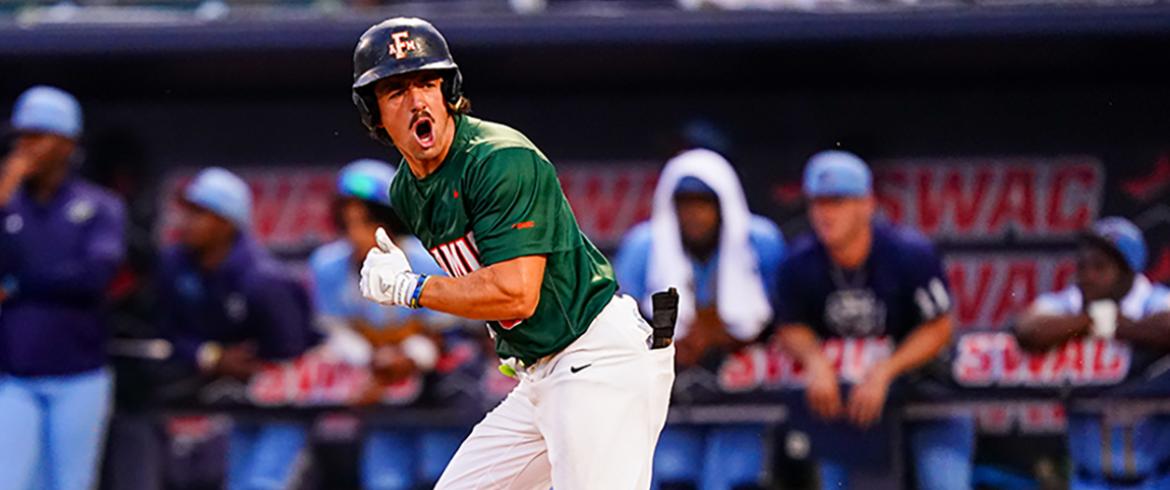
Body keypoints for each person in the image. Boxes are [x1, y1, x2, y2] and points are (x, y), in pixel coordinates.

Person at [352, 17, 675, 489]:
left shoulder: (499, 158)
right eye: (396, 90)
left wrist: (412, 288)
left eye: (428, 81)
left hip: (596, 361)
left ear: (449, 91)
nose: (419, 99)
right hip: (541, 375)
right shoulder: (406, 189)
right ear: (375, 113)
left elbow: (516, 294)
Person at [773, 150, 972, 490]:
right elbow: (790, 325)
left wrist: (886, 370)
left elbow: (940, 327)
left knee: (945, 484)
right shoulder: (801, 261)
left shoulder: (908, 252)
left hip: (924, 389)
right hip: (852, 403)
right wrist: (814, 360)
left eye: (838, 201)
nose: (825, 213)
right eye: (818, 203)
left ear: (867, 204)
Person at [614, 148, 785, 485]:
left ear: (723, 204)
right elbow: (620, 322)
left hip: (745, 391)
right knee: (672, 474)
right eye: (685, 203)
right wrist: (668, 344)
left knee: (737, 477)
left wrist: (727, 336)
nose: (695, 214)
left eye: (704, 203)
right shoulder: (644, 245)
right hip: (674, 391)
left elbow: (783, 319)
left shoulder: (760, 241)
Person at [158, 167, 319, 490]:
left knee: (265, 483)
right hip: (239, 396)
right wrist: (213, 356)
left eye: (199, 213)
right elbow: (166, 332)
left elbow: (296, 351)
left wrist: (255, 365)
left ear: (226, 222)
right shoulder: (175, 264)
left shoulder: (264, 279)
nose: (186, 221)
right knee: (238, 484)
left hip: (288, 395)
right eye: (187, 211)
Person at [0, 85, 127, 490]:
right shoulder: (7, 203)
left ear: (67, 143)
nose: (26, 147)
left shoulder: (100, 206)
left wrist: (17, 283)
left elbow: (91, 277)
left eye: (37, 137)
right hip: (14, 372)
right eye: (22, 136)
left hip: (79, 374)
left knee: (69, 484)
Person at [308, 158, 453, 489]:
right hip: (373, 384)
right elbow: (334, 330)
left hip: (436, 387)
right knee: (384, 482)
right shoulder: (328, 265)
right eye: (348, 221)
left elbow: (450, 332)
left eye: (368, 219)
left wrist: (411, 358)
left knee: (441, 475)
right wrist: (372, 362)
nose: (358, 231)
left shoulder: (426, 259)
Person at [1015, 217, 1170, 489]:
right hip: (1090, 480)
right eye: (1083, 266)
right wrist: (1095, 321)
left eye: (1100, 267)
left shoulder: (1152, 299)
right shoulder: (1072, 302)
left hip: (1157, 478)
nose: (1088, 276)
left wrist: (1113, 325)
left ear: (1127, 271)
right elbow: (1028, 330)